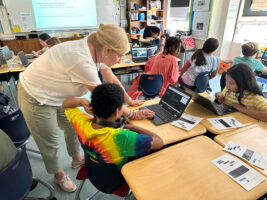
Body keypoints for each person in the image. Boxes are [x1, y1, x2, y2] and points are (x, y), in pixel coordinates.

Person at [17, 24, 153, 192]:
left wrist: (129, 100)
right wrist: (133, 114)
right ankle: (58, 174)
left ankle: (76, 158)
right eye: (119, 56)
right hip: (36, 95)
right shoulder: (81, 59)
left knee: (71, 127)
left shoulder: (98, 48)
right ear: (108, 50)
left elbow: (110, 78)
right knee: (49, 140)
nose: (120, 60)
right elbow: (106, 96)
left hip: (60, 94)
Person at [62, 83, 164, 189]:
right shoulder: (121, 138)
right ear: (117, 112)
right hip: (117, 180)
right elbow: (159, 142)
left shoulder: (81, 123)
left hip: (93, 172)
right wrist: (130, 128)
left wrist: (81, 101)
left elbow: (64, 104)